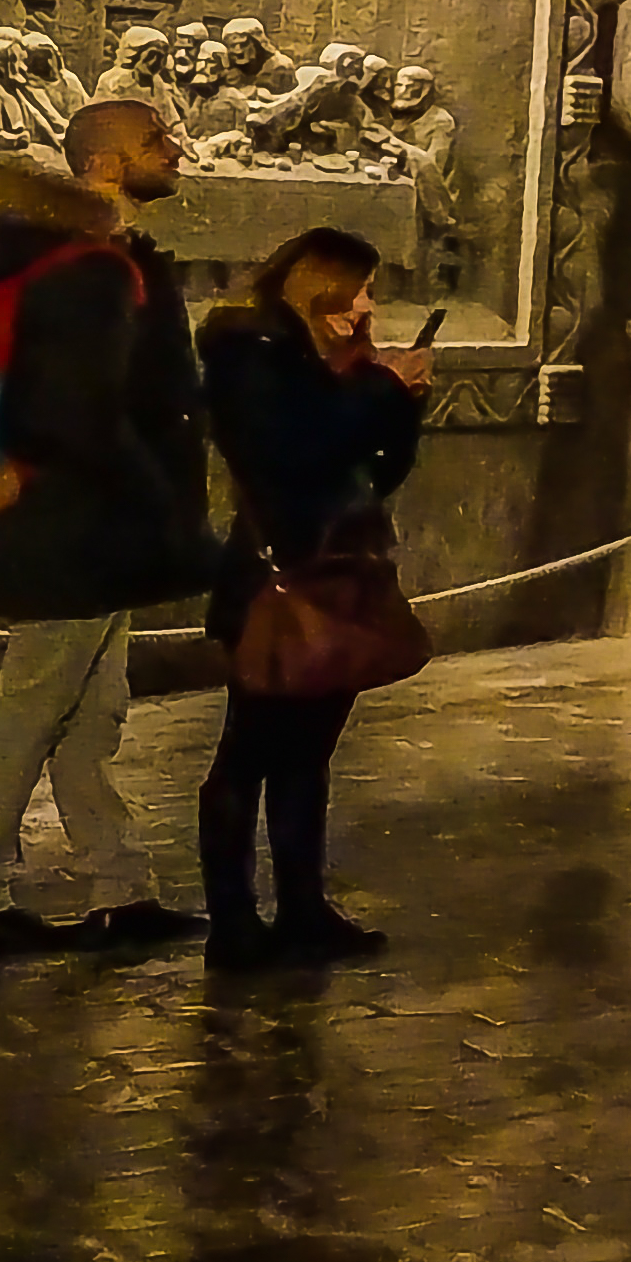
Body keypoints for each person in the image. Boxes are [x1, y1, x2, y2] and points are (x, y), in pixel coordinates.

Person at [0, 130, 208, 970]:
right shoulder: (84, 273)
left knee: (91, 716)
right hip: (75, 527)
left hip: (81, 525)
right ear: (102, 173)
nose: (176, 148)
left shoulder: (62, 263)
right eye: (155, 137)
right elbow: (81, 414)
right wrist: (163, 512)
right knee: (30, 712)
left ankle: (119, 887)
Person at [195, 224, 427, 969]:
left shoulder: (320, 363)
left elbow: (375, 472)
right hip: (274, 581)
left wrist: (397, 400)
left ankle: (303, 910)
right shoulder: (249, 353)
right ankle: (232, 922)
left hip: (335, 571)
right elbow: (293, 452)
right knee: (249, 753)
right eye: (359, 289)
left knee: (307, 753)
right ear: (321, 285)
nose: (366, 306)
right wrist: (380, 388)